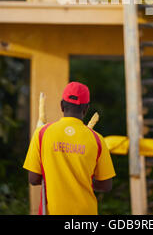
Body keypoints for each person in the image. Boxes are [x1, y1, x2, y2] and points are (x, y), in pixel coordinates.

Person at [23, 81, 116, 215]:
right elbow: (106, 185)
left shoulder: (42, 134)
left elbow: (33, 179)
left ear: (61, 105)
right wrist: (83, 178)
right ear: (86, 108)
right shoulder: (97, 139)